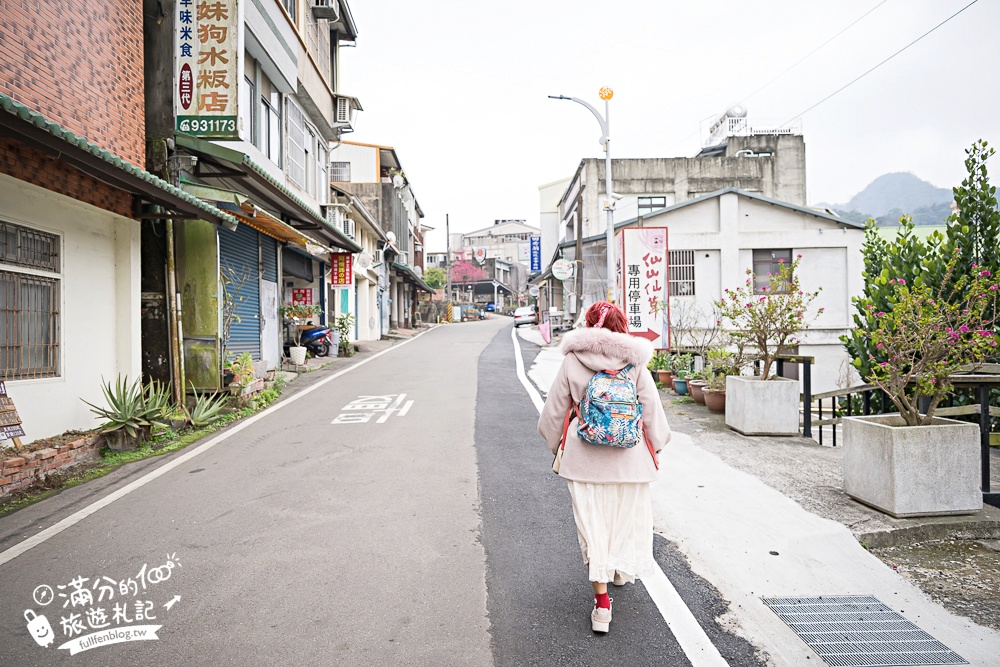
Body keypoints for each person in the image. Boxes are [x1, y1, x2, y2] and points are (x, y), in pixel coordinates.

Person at [537, 301, 670, 633]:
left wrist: (558, 446)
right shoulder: (636, 361)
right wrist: (657, 445)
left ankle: (602, 607)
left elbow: (554, 412)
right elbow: (651, 410)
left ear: (588, 324)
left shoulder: (572, 359)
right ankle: (620, 570)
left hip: (584, 460)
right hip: (630, 461)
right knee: (622, 519)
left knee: (592, 527)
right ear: (621, 325)